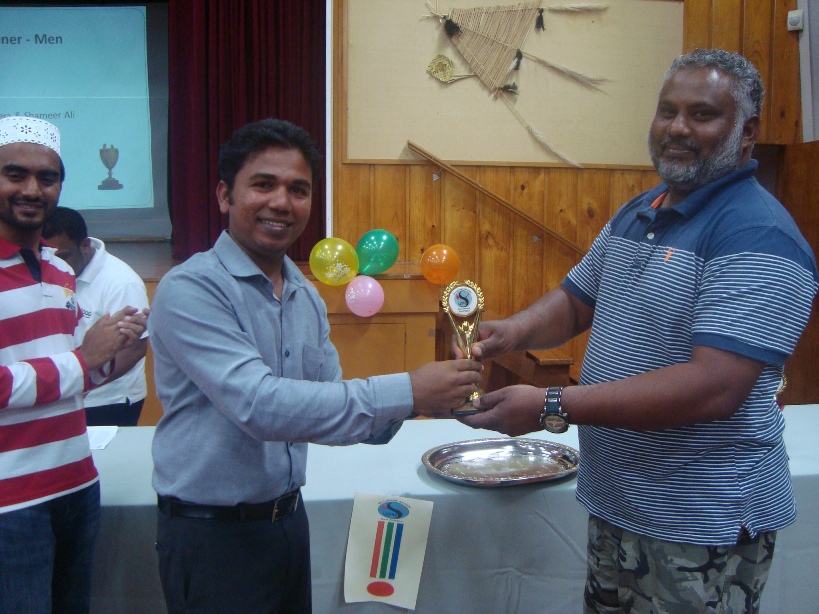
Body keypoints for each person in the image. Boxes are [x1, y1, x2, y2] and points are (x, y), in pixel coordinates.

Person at [459, 49, 819, 613]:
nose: (677, 128)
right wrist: (512, 332)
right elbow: (575, 301)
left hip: (699, 522)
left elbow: (713, 388)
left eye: (702, 114)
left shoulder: (758, 235)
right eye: (667, 111)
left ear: (747, 132)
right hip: (620, 503)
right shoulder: (641, 209)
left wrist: (551, 405)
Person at [149, 118, 483, 613]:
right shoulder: (191, 289)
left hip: (287, 524)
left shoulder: (304, 296)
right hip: (212, 536)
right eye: (263, 184)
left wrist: (437, 395)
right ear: (224, 195)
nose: (282, 202)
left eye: (298, 189)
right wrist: (410, 389)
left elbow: (330, 407)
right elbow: (260, 406)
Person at [0, 116, 148, 613]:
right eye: (15, 174)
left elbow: (69, 377)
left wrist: (113, 354)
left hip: (78, 483)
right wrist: (85, 359)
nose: (32, 189)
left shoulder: (61, 269)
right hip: (10, 502)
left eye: (47, 178)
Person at [42, 206, 150, 426]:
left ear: (84, 245)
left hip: (107, 401)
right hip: (61, 392)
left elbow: (135, 349)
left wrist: (81, 384)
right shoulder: (47, 269)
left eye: (62, 257)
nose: (55, 264)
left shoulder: (121, 282)